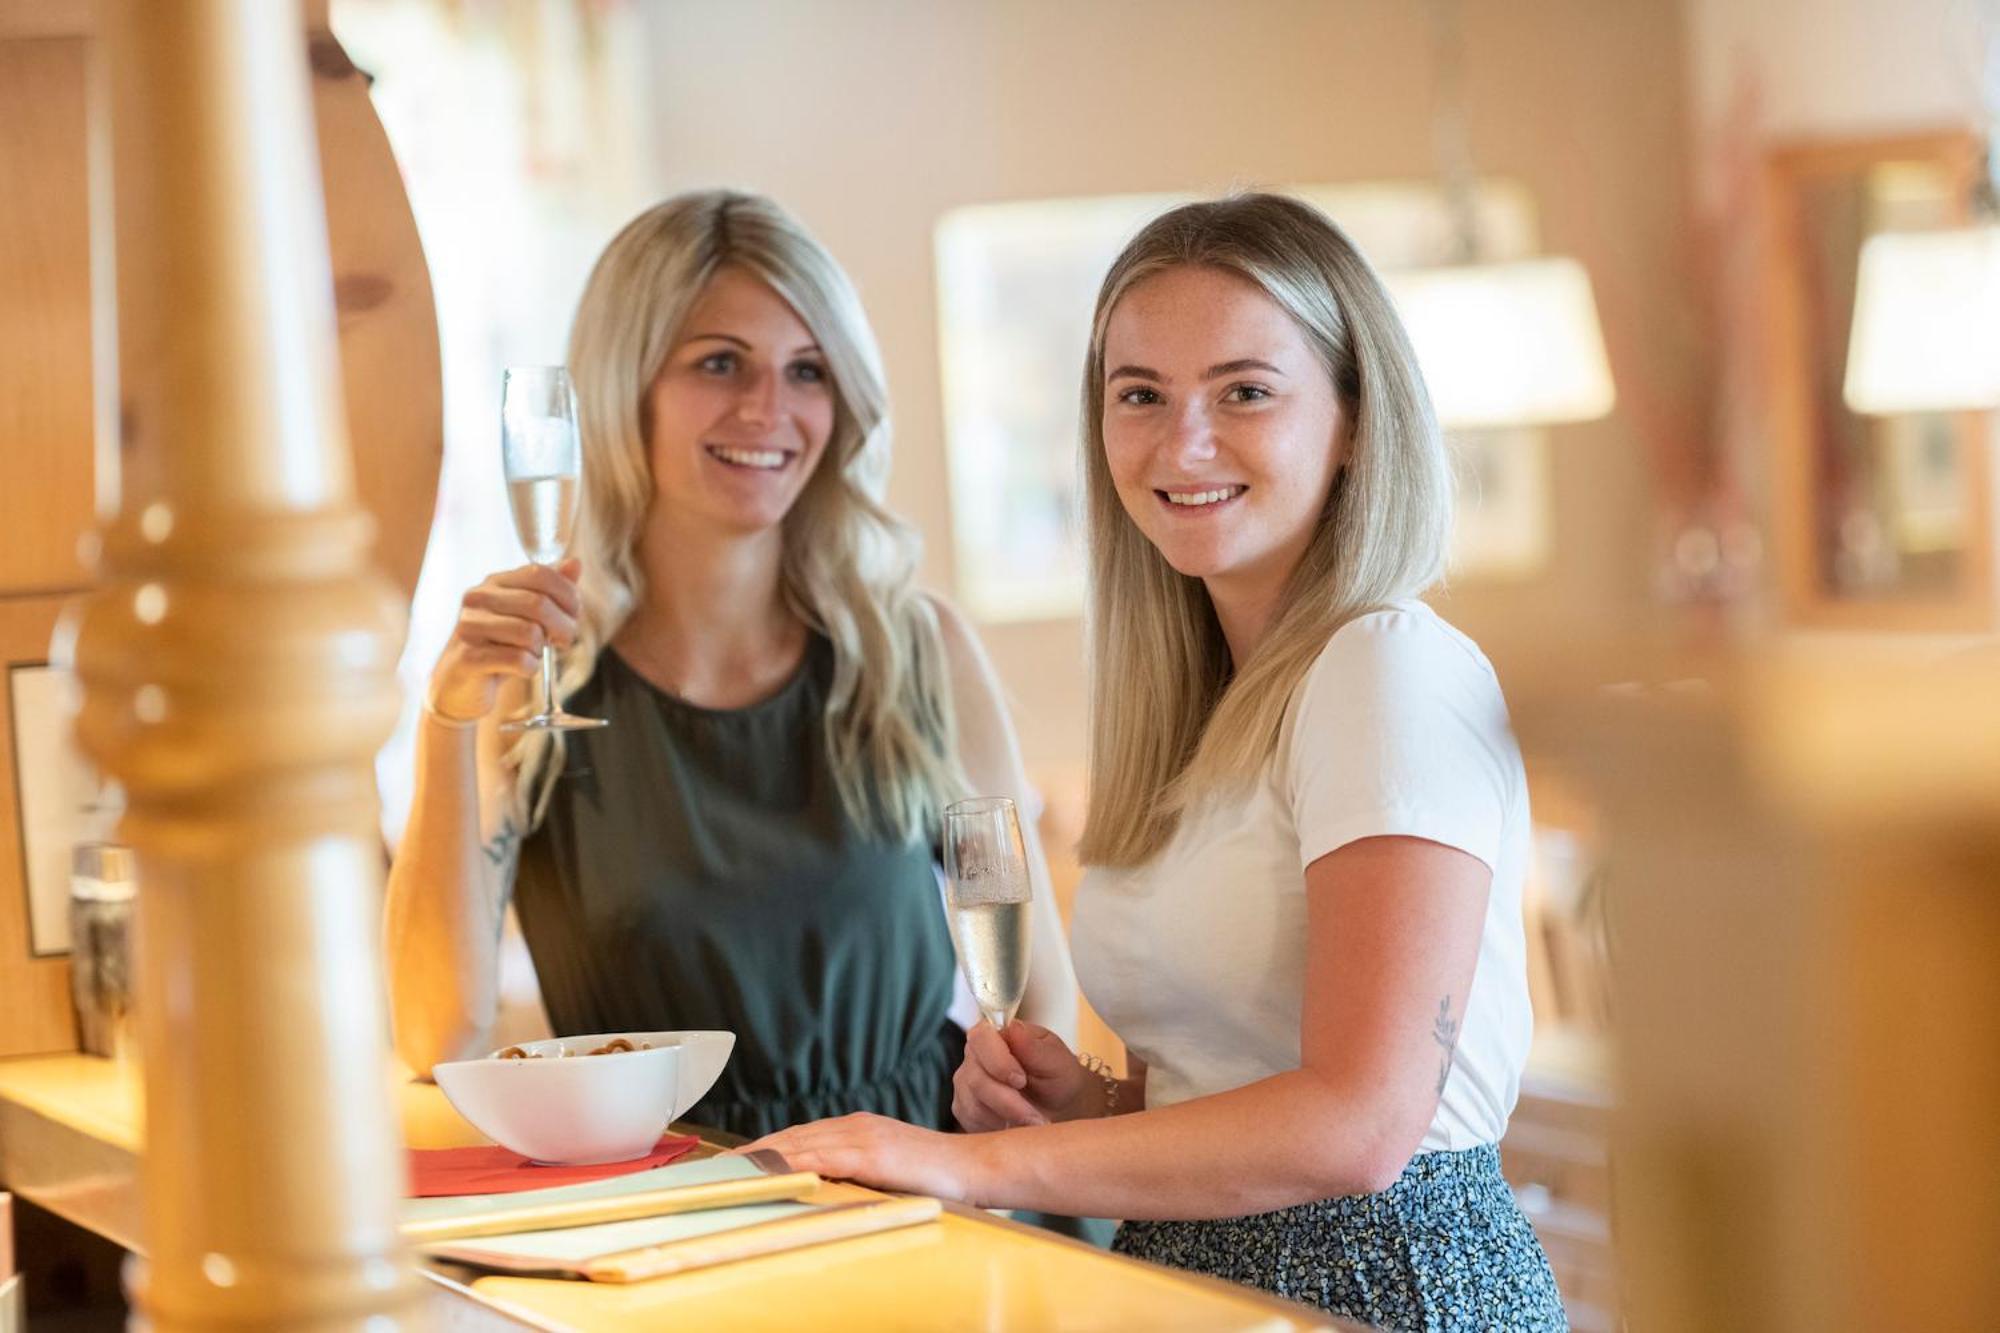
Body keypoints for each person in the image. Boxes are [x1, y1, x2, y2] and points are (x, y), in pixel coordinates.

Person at [745, 193, 1567, 1330]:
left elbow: (1360, 1124)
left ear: (1355, 419)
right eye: (1140, 396)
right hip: (1187, 1281)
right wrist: (1080, 1103)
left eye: (1243, 391)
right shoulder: (1203, 707)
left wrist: (966, 1167)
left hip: (1379, 1289)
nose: (1183, 442)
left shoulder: (1388, 667)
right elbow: (1222, 1085)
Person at [384, 190, 1077, 1140]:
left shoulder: (918, 653)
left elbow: (1040, 1001)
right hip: (668, 1219)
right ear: (626, 387)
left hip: (923, 1202)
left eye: (808, 371)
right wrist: (447, 717)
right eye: (720, 363)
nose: (770, 410)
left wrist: (1004, 1185)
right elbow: (438, 1033)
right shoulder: (534, 686)